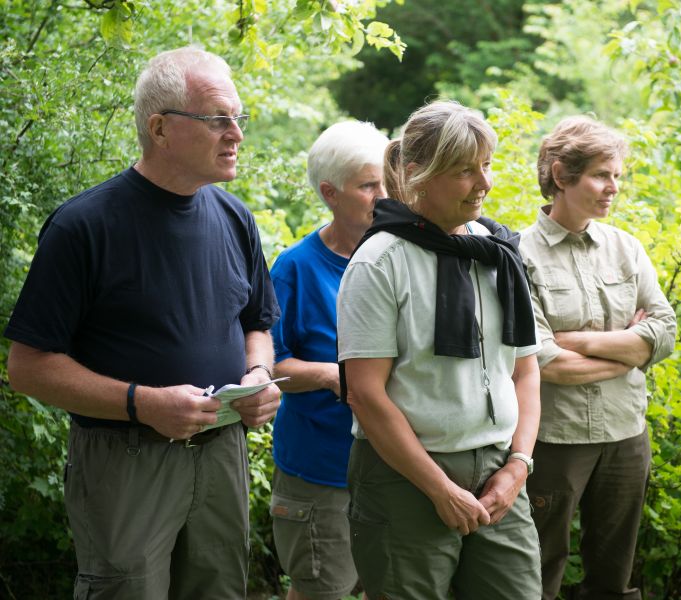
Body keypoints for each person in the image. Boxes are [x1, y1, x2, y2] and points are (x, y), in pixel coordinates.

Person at [4, 46, 281, 598]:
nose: (236, 134)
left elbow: (258, 323)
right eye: (218, 119)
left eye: (238, 118)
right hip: (125, 459)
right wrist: (143, 402)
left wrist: (257, 375)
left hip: (222, 449)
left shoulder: (234, 217)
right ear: (160, 128)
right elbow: (28, 368)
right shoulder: (83, 226)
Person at [337, 100, 543, 599]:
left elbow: (526, 372)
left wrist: (518, 467)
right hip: (404, 478)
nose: (485, 184)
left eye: (486, 166)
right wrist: (439, 489)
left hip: (498, 470)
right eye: (464, 171)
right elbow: (365, 395)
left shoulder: (497, 252)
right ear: (418, 175)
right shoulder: (379, 263)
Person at [518, 115, 676, 600]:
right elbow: (546, 363)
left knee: (613, 578)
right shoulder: (519, 254)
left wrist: (577, 340)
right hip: (555, 438)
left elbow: (664, 333)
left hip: (627, 433)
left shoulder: (626, 248)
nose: (613, 188)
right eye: (602, 175)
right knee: (539, 569)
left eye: (617, 177)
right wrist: (629, 351)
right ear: (562, 175)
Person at [268, 120, 388, 600]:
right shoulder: (294, 268)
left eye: (386, 182)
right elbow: (268, 368)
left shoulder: (398, 256)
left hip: (393, 466)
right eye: (367, 185)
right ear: (329, 192)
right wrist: (332, 376)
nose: (383, 195)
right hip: (321, 473)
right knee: (322, 590)